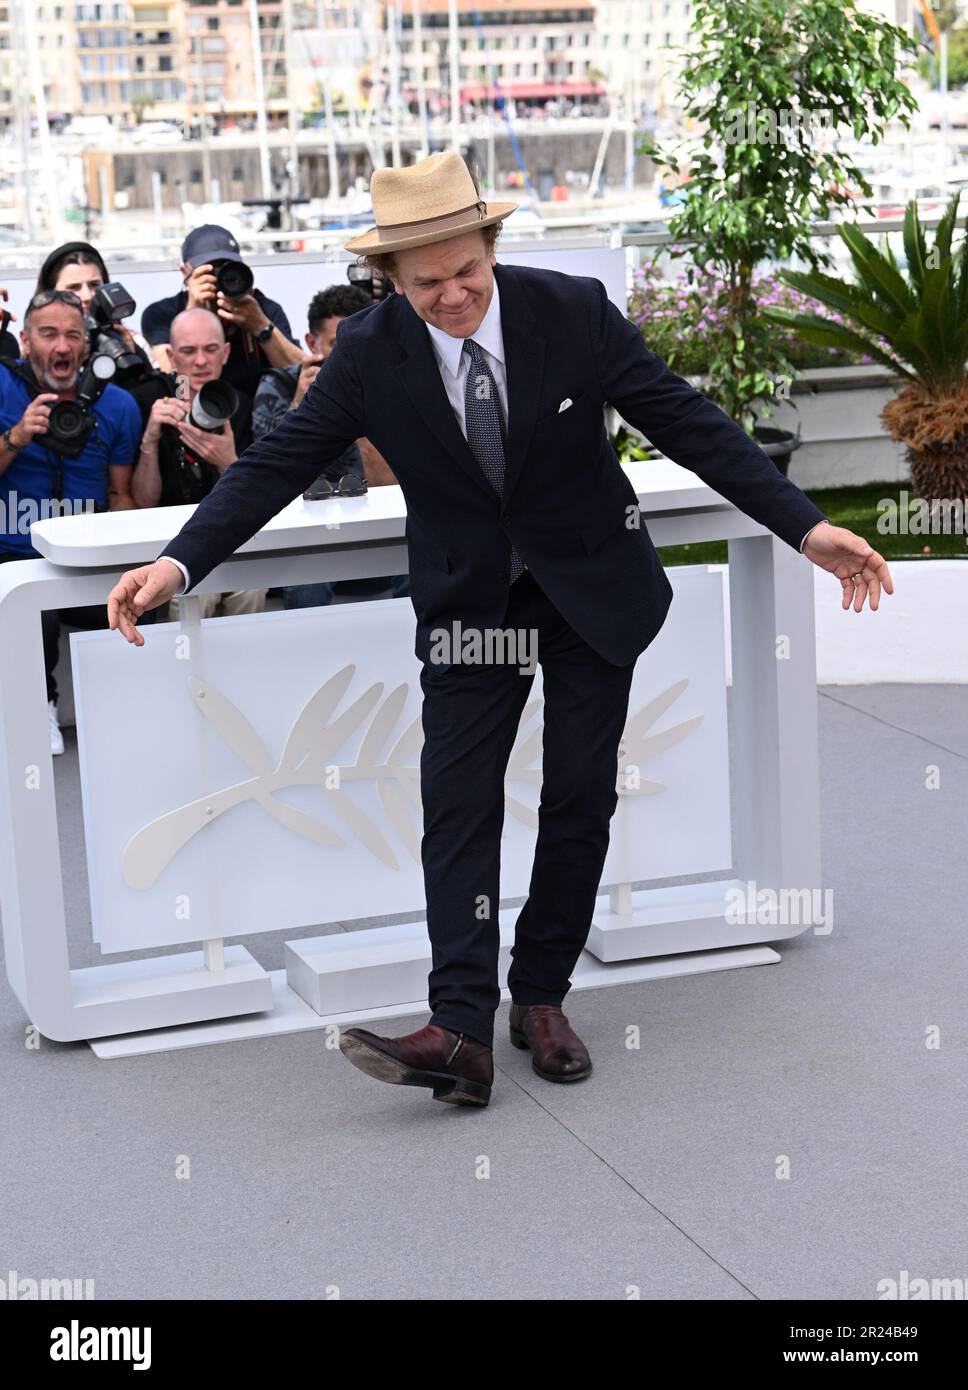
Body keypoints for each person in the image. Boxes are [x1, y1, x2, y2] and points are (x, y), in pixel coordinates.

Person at [108, 151, 894, 1109]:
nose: (451, 297)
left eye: (466, 274)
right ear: (389, 280)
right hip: (472, 608)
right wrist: (176, 564)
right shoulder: (366, 352)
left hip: (591, 594)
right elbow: (271, 470)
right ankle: (458, 1031)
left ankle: (542, 1000)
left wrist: (807, 529)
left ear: (492, 246)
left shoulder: (571, 311)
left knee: (577, 796)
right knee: (459, 806)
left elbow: (687, 421)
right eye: (426, 282)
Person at [0, 288, 141, 753]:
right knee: (28, 596)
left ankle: (127, 707)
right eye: (48, 334)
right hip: (14, 553)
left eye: (72, 335)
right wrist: (17, 436)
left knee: (145, 593)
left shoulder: (117, 403)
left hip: (86, 555)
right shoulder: (2, 386)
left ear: (85, 343)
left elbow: (120, 493)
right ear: (24, 340)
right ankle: (40, 707)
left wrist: (141, 557)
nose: (61, 347)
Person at [252, 282, 408, 609]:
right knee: (306, 581)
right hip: (309, 533)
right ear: (312, 343)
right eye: (338, 344)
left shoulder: (398, 382)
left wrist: (359, 413)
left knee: (421, 559)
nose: (351, 354)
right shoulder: (279, 384)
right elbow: (266, 473)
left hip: (383, 528)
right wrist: (302, 407)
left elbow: (394, 490)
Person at [131, 306, 261, 621]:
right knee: (194, 596)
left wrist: (228, 461)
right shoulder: (150, 399)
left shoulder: (240, 404)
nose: (200, 361)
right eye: (189, 352)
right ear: (172, 358)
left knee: (253, 588)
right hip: (169, 542)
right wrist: (149, 440)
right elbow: (143, 500)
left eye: (210, 350)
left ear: (226, 353)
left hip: (229, 538)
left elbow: (258, 498)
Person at [140, 224, 303, 399]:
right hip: (192, 413)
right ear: (185, 273)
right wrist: (193, 312)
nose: (220, 278)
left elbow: (301, 376)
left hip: (253, 417)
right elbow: (175, 384)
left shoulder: (263, 310)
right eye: (209, 270)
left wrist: (261, 327)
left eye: (228, 269)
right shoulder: (161, 314)